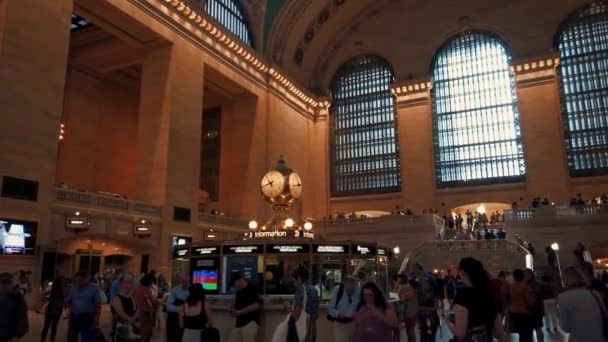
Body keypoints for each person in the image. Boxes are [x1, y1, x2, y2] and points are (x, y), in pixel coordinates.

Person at [445, 258, 503, 341]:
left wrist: (447, 322)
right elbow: (499, 333)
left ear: (463, 272)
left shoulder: (463, 295)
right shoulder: (489, 293)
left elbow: (460, 334)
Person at [558, 267, 608, 342]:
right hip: (600, 338)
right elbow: (605, 315)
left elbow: (566, 328)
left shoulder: (563, 297)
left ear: (565, 279)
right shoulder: (595, 294)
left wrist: (558, 314)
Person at [66, 272, 101, 342]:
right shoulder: (73, 288)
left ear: (86, 279)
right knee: (71, 338)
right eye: (76, 280)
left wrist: (96, 320)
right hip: (74, 317)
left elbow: (98, 305)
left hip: (87, 317)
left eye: (80, 280)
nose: (78, 282)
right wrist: (70, 308)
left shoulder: (93, 288)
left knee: (87, 338)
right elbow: (68, 301)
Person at [290, 265, 319, 342]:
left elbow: (296, 314)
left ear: (299, 278)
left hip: (302, 327)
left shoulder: (301, 290)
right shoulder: (314, 289)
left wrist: (288, 308)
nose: (294, 284)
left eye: (294, 281)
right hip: (312, 326)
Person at [228, 272, 261, 342]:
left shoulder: (251, 288)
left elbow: (256, 305)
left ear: (239, 280)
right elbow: (237, 305)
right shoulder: (238, 291)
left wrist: (239, 312)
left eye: (234, 284)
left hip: (250, 322)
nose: (234, 286)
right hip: (239, 323)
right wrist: (232, 309)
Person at [327, 276, 360, 342]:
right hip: (340, 324)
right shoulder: (338, 290)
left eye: (353, 284)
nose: (350, 287)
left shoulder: (359, 291)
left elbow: (362, 307)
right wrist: (337, 314)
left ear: (355, 284)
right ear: (344, 284)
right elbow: (330, 308)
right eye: (348, 284)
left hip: (354, 324)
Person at [507, 269, 535, 342]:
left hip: (514, 314)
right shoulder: (525, 287)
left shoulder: (510, 287)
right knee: (526, 336)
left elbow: (508, 299)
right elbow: (529, 301)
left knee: (521, 335)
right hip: (524, 314)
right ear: (522, 276)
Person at [0, 273, 29, 341]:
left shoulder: (17, 298)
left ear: (11, 284)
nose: (5, 285)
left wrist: (17, 335)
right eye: (2, 282)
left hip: (10, 334)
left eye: (8, 282)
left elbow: (22, 317)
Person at [133, 274, 160, 342]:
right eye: (152, 282)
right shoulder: (147, 290)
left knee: (136, 335)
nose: (153, 284)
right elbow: (154, 302)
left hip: (135, 314)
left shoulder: (135, 289)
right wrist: (161, 301)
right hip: (145, 315)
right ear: (149, 282)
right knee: (145, 336)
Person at [112, 274, 139, 342]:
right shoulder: (117, 298)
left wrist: (135, 318)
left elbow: (137, 309)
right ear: (122, 284)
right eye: (127, 282)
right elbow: (121, 313)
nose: (129, 285)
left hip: (133, 328)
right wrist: (132, 320)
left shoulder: (132, 297)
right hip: (123, 329)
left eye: (131, 282)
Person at [41, 276, 65, 342]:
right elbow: (64, 301)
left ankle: (43, 340)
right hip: (56, 310)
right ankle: (51, 340)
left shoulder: (53, 290)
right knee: (54, 326)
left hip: (51, 309)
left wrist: (47, 298)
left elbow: (44, 298)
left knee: (46, 326)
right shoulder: (63, 290)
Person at [166, 273, 190, 342]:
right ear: (180, 281)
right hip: (175, 318)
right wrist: (183, 309)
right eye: (184, 282)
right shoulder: (175, 291)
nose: (185, 283)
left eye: (187, 282)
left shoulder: (191, 290)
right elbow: (168, 306)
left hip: (188, 318)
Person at [524, 269, 544, 342]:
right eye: (525, 274)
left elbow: (537, 297)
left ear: (531, 275)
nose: (526, 276)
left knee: (537, 328)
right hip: (527, 310)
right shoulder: (526, 284)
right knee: (529, 329)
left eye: (527, 274)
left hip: (535, 310)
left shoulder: (536, 285)